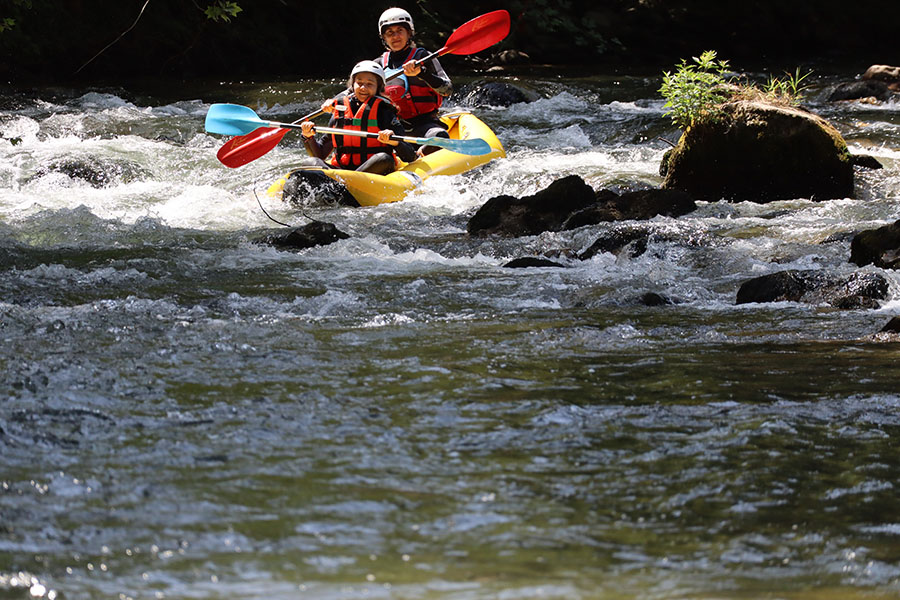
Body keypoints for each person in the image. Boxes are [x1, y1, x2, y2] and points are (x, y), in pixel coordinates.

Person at [299, 60, 417, 174]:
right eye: (359, 83)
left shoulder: (384, 110)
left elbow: (410, 155)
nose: (363, 88)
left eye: (369, 84)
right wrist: (308, 137)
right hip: (343, 171)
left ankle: (344, 182)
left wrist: (395, 142)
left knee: (384, 159)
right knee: (311, 162)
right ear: (353, 85)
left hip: (372, 171)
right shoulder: (341, 109)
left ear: (378, 87)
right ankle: (342, 182)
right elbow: (320, 155)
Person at [375, 7, 453, 153]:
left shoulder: (424, 57)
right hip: (392, 130)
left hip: (424, 126)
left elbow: (447, 90)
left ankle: (420, 154)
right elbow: (354, 90)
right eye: (390, 32)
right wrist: (332, 103)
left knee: (440, 136)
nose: (395, 36)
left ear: (409, 33)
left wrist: (422, 73)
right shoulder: (378, 65)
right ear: (384, 37)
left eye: (400, 30)